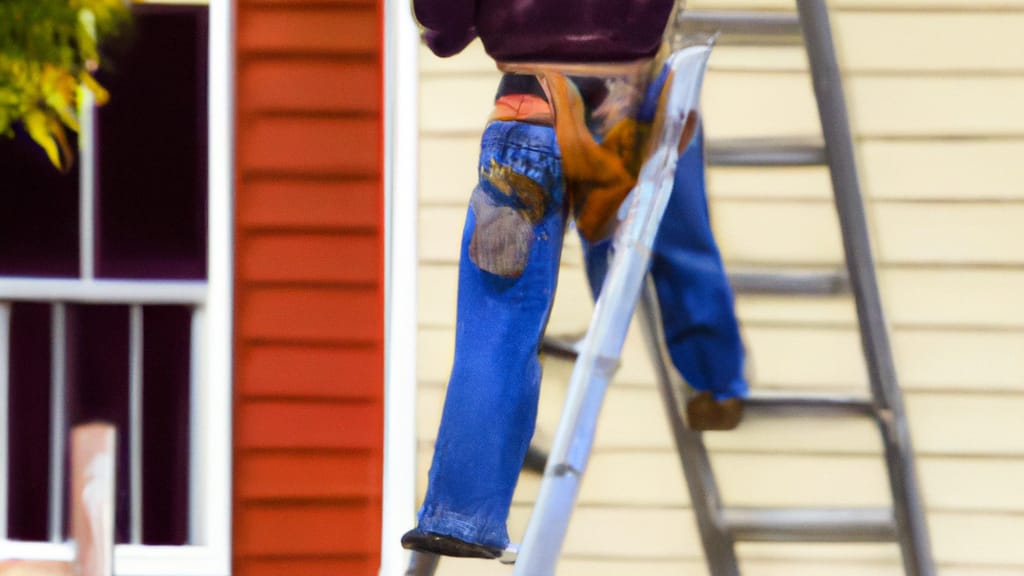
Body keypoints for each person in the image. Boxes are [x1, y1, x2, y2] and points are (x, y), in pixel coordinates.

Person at [402, 0, 747, 559]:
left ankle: (461, 514)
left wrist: (449, 29)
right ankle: (717, 382)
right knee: (678, 243)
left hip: (528, 114)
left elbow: (443, 21)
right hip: (628, 110)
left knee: (498, 319)